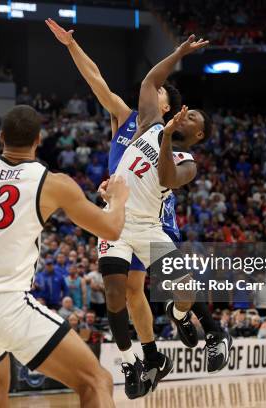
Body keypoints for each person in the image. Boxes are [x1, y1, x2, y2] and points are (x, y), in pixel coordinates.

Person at [0, 105, 128, 408]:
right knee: (97, 381)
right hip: (4, 307)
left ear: (0, 136)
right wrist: (118, 199)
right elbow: (111, 229)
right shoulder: (53, 183)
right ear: (39, 140)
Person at [47, 18, 186, 397]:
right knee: (123, 290)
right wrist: (71, 46)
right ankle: (148, 356)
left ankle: (169, 334)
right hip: (117, 216)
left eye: (158, 92)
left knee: (142, 288)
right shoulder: (124, 117)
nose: (151, 92)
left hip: (150, 214)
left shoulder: (165, 134)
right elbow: (96, 80)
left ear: (167, 107)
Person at [98, 34, 232, 393]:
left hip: (147, 226)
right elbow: (149, 82)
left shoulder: (187, 161)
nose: (186, 114)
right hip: (115, 219)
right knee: (115, 292)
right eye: (185, 110)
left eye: (194, 118)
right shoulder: (149, 124)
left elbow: (166, 177)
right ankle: (132, 363)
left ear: (198, 134)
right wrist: (178, 53)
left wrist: (169, 137)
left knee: (183, 288)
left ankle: (180, 314)